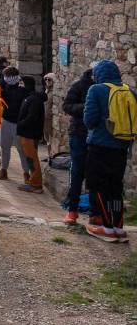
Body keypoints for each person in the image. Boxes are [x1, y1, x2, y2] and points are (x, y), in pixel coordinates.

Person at [81, 60, 133, 242]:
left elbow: (89, 120)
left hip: (100, 146)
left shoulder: (96, 90)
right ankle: (118, 226)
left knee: (99, 185)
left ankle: (106, 227)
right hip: (122, 146)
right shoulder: (129, 91)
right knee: (115, 186)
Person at [60, 67, 94, 224]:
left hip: (97, 136)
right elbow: (67, 106)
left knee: (95, 174)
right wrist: (87, 106)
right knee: (77, 172)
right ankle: (72, 210)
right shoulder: (79, 85)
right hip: (79, 134)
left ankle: (95, 212)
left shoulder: (106, 87)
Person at [0, 66, 28, 180]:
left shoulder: (23, 88)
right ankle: (4, 170)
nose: (5, 79)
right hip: (5, 120)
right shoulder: (5, 85)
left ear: (13, 77)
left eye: (7, 77)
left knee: (21, 149)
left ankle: (26, 173)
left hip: (17, 123)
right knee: (4, 146)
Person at [15, 75, 46, 193]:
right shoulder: (29, 97)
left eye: (21, 84)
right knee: (30, 159)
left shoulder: (34, 100)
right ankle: (33, 181)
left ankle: (36, 184)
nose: (20, 86)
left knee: (32, 159)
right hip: (27, 133)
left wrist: (20, 124)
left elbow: (32, 117)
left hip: (30, 134)